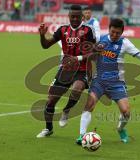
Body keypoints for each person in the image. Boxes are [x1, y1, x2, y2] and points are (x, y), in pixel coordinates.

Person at [76, 18, 140, 144]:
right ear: (109, 29)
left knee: (126, 112)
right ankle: (82, 135)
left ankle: (120, 129)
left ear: (122, 32)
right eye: (112, 32)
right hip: (99, 80)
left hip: (116, 82)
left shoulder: (125, 43)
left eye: (117, 33)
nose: (114, 35)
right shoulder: (100, 40)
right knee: (89, 105)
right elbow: (90, 54)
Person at [36, 5, 96, 138]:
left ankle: (66, 110)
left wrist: (78, 58)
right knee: (51, 100)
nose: (74, 19)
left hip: (81, 70)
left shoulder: (88, 31)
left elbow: (93, 53)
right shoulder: (62, 30)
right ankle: (48, 129)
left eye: (77, 17)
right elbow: (46, 45)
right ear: (68, 16)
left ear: (82, 17)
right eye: (72, 16)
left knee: (77, 88)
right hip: (66, 70)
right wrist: (42, 35)